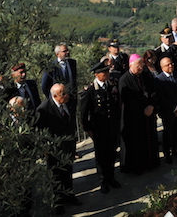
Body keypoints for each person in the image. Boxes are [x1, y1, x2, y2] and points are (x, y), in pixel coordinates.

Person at [36, 84, 80, 213]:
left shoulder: (70, 102)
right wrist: (45, 148)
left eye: (67, 93)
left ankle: (70, 195)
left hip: (69, 145)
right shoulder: (44, 109)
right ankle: (58, 202)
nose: (67, 96)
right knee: (56, 176)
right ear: (55, 96)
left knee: (68, 171)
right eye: (63, 94)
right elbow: (39, 131)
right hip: (54, 149)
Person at [79, 61, 122, 193]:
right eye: (105, 72)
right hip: (99, 129)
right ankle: (103, 181)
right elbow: (84, 113)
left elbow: (116, 106)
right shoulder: (90, 91)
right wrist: (88, 130)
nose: (108, 74)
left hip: (112, 127)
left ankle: (111, 177)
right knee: (101, 156)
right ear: (97, 75)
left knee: (112, 153)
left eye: (108, 71)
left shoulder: (112, 86)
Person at [118, 54, 160, 174]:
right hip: (134, 117)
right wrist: (143, 109)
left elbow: (153, 92)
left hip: (148, 113)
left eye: (142, 65)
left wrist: (151, 105)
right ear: (131, 65)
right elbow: (128, 100)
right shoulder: (124, 80)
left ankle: (151, 163)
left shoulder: (145, 75)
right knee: (136, 143)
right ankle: (138, 167)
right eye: (138, 65)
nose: (141, 67)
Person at [154, 57, 177, 164]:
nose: (171, 66)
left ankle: (175, 151)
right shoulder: (159, 80)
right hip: (168, 111)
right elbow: (161, 97)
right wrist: (174, 108)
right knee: (168, 132)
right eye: (167, 65)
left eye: (171, 63)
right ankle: (167, 154)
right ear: (162, 67)